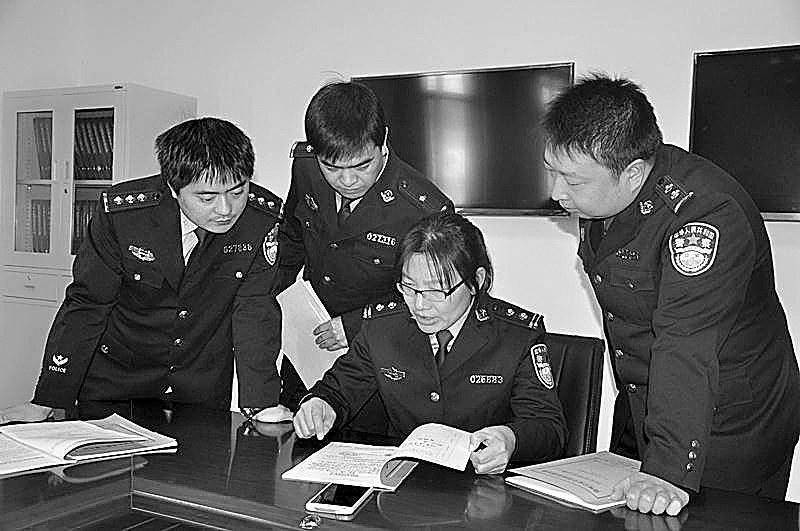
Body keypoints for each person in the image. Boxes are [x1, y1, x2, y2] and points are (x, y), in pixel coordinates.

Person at [543, 75, 800, 515]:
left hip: (730, 421)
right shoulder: (605, 195)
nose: (556, 192)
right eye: (552, 170)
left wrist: (667, 470)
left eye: (572, 180)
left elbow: (686, 341)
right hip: (650, 402)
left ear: (633, 173)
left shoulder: (705, 216)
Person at [0, 117, 285, 424]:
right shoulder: (124, 217)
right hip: (117, 383)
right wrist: (48, 398)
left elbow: (255, 310)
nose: (226, 209)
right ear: (173, 188)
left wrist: (261, 402)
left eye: (237, 192)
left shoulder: (260, 219)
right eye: (207, 197)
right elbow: (88, 304)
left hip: (200, 389)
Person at [293, 212, 566, 473]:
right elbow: (338, 390)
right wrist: (320, 405)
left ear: (477, 281)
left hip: (482, 485)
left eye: (436, 290)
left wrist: (510, 439)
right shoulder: (382, 328)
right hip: (404, 482)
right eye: (409, 288)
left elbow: (549, 428)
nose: (420, 305)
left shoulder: (517, 336)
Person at [277, 81, 454, 420]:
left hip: (381, 358)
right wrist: (273, 305)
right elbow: (291, 238)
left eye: (362, 166)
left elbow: (434, 296)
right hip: (308, 350)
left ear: (382, 140)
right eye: (332, 167)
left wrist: (358, 324)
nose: (347, 181)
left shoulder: (422, 208)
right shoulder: (305, 167)